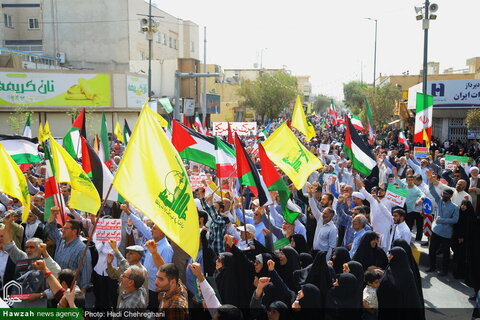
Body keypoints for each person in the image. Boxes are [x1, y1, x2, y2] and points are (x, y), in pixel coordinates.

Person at [45, 206, 91, 292]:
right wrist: (53, 215)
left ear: (74, 231)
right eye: (62, 228)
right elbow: (50, 228)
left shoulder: (82, 249)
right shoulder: (60, 241)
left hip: (71, 291)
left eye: (65, 228)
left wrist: (82, 293)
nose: (62, 230)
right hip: (56, 287)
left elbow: (86, 273)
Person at [426, 171, 459, 276]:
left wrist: (442, 220)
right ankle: (432, 266)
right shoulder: (439, 201)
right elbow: (431, 190)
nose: (444, 195)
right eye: (443, 193)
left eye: (446, 194)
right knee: (432, 250)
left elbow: (455, 220)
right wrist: (430, 180)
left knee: (445, 253)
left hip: (446, 233)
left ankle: (444, 270)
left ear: (450, 196)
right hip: (436, 230)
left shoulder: (455, 207)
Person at [377, 247, 422, 320]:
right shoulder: (401, 269)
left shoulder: (399, 273)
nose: (388, 256)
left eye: (391, 255)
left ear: (397, 257)